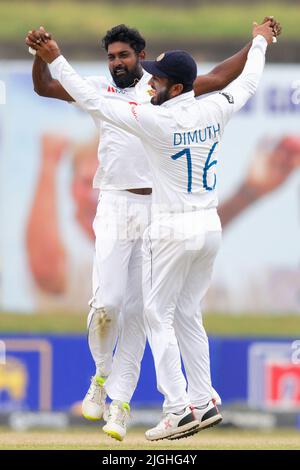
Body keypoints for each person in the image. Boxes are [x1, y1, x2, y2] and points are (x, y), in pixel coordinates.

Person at [26, 19, 280, 441]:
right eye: (112, 57)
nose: (147, 82)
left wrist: (56, 57)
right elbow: (246, 82)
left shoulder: (155, 111)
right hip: (167, 215)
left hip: (164, 218)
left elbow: (215, 77)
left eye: (127, 58)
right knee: (147, 310)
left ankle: (153, 406)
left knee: (151, 315)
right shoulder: (203, 107)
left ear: (160, 75)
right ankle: (169, 391)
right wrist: (260, 42)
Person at [26, 134, 98, 312]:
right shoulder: (63, 237)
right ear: (72, 186)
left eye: (105, 183)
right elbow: (46, 270)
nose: (95, 195)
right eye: (87, 183)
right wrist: (49, 163)